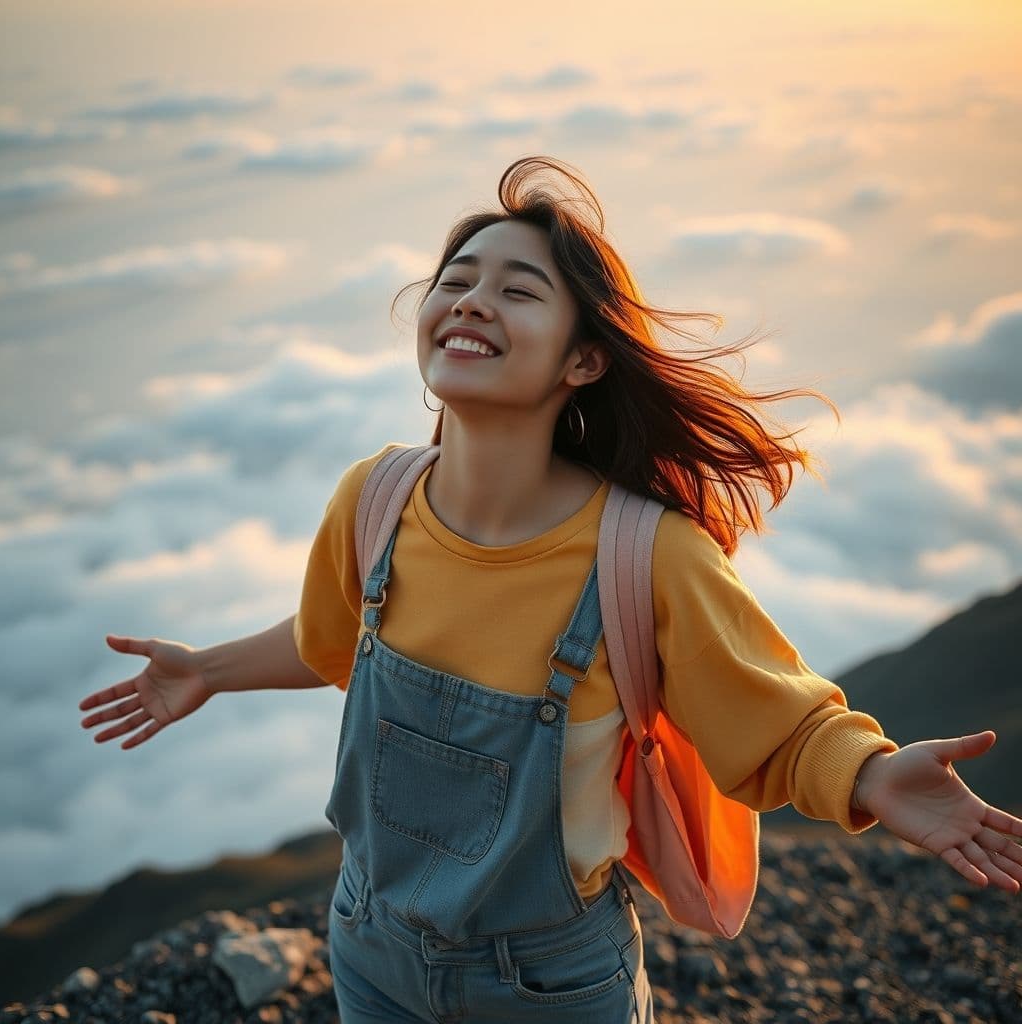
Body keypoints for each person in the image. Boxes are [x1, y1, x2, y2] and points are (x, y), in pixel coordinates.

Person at [80, 155, 1022, 1023]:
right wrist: (206, 670)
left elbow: (776, 718)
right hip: (369, 943)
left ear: (584, 360)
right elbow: (328, 640)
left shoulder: (645, 555)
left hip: (550, 983)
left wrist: (872, 775)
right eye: (456, 281)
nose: (472, 301)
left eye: (516, 290)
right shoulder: (374, 501)